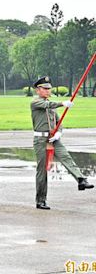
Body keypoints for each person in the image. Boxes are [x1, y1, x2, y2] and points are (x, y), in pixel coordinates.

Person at [31, 76, 93, 210]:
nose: (48, 91)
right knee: (42, 170)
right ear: (38, 90)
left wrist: (59, 132)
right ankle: (41, 200)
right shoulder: (36, 103)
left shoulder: (51, 106)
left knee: (66, 157)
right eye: (45, 89)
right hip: (41, 140)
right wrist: (62, 103)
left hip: (54, 138)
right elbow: (47, 104)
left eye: (49, 89)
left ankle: (81, 180)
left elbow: (59, 123)